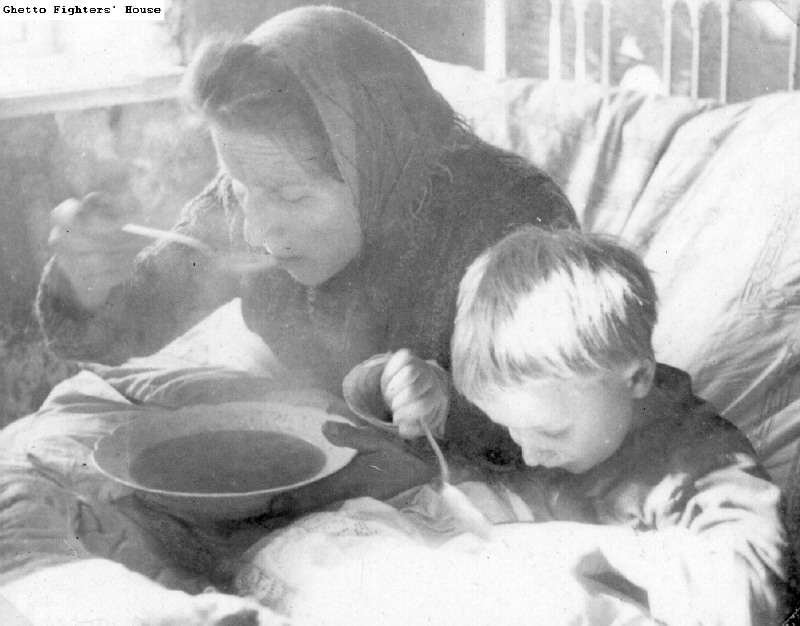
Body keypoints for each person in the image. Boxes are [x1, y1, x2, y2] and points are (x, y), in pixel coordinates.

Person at [37, 8, 576, 478]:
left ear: (377, 165)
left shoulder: (511, 220)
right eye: (240, 187)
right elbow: (124, 323)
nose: (253, 231)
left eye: (291, 197)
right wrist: (86, 282)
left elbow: (571, 412)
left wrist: (451, 404)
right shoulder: (253, 188)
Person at [439, 226, 791, 624]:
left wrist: (586, 548)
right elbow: (469, 427)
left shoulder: (698, 462)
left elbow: (755, 586)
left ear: (637, 379)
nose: (529, 454)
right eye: (508, 429)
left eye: (552, 434)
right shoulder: (540, 412)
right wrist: (424, 395)